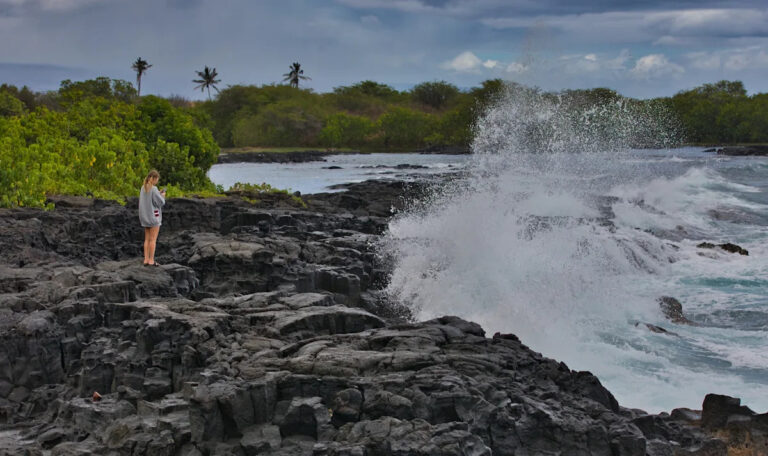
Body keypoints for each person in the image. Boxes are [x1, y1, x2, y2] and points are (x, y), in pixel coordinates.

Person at [138, 170, 166, 266]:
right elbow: (160, 203)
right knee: (153, 240)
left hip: (145, 217)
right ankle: (151, 260)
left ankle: (146, 259)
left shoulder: (143, 188)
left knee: (147, 239)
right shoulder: (154, 189)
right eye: (157, 179)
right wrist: (162, 196)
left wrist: (158, 193)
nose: (157, 181)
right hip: (154, 217)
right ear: (154, 178)